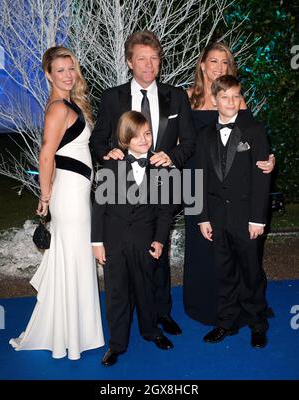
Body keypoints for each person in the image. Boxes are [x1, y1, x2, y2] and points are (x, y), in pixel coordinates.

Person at [90, 30, 196, 336]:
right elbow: (99, 139)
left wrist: (171, 156)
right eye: (141, 59)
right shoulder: (112, 97)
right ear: (129, 62)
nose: (149, 65)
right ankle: (124, 325)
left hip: (162, 184)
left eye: (154, 58)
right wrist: (107, 153)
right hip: (123, 186)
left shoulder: (176, 96)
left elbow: (189, 142)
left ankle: (161, 313)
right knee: (125, 256)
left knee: (157, 252)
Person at [9, 46, 104, 360]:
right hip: (68, 198)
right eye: (60, 70)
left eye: (70, 68)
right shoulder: (57, 108)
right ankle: (71, 338)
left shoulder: (68, 103)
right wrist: (45, 195)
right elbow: (46, 155)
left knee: (75, 259)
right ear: (48, 74)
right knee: (74, 259)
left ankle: (73, 333)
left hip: (76, 193)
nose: (67, 75)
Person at [183, 42, 275, 325]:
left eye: (225, 63)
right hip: (198, 183)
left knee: (239, 251)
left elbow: (254, 142)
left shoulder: (238, 100)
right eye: (213, 62)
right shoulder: (187, 98)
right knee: (201, 247)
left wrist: (269, 162)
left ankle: (244, 307)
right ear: (202, 65)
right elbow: (179, 143)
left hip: (234, 193)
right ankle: (204, 306)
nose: (219, 68)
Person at [92, 111, 177, 366]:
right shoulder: (111, 164)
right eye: (137, 135)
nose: (144, 139)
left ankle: (151, 331)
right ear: (125, 139)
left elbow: (165, 212)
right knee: (117, 295)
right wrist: (97, 243)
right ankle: (117, 344)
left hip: (145, 242)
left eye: (148, 134)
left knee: (146, 291)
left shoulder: (161, 167)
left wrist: (160, 240)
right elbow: (99, 207)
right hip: (114, 243)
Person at [196, 75, 271, 347]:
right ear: (214, 100)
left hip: (246, 216)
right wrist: (202, 217)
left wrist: (257, 219)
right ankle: (226, 322)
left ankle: (257, 323)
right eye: (225, 97)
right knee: (224, 271)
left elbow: (262, 179)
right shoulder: (204, 135)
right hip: (216, 217)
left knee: (251, 272)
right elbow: (199, 178)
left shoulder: (255, 130)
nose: (231, 102)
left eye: (236, 96)